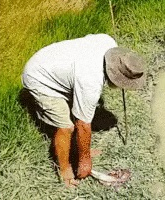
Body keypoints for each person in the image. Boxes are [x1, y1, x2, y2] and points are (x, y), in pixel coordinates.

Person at [22, 34, 146, 187]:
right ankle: (64, 170)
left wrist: (84, 152)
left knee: (79, 111)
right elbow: (83, 124)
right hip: (39, 77)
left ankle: (78, 148)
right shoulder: (91, 83)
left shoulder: (109, 42)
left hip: (49, 60)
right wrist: (85, 160)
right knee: (66, 126)